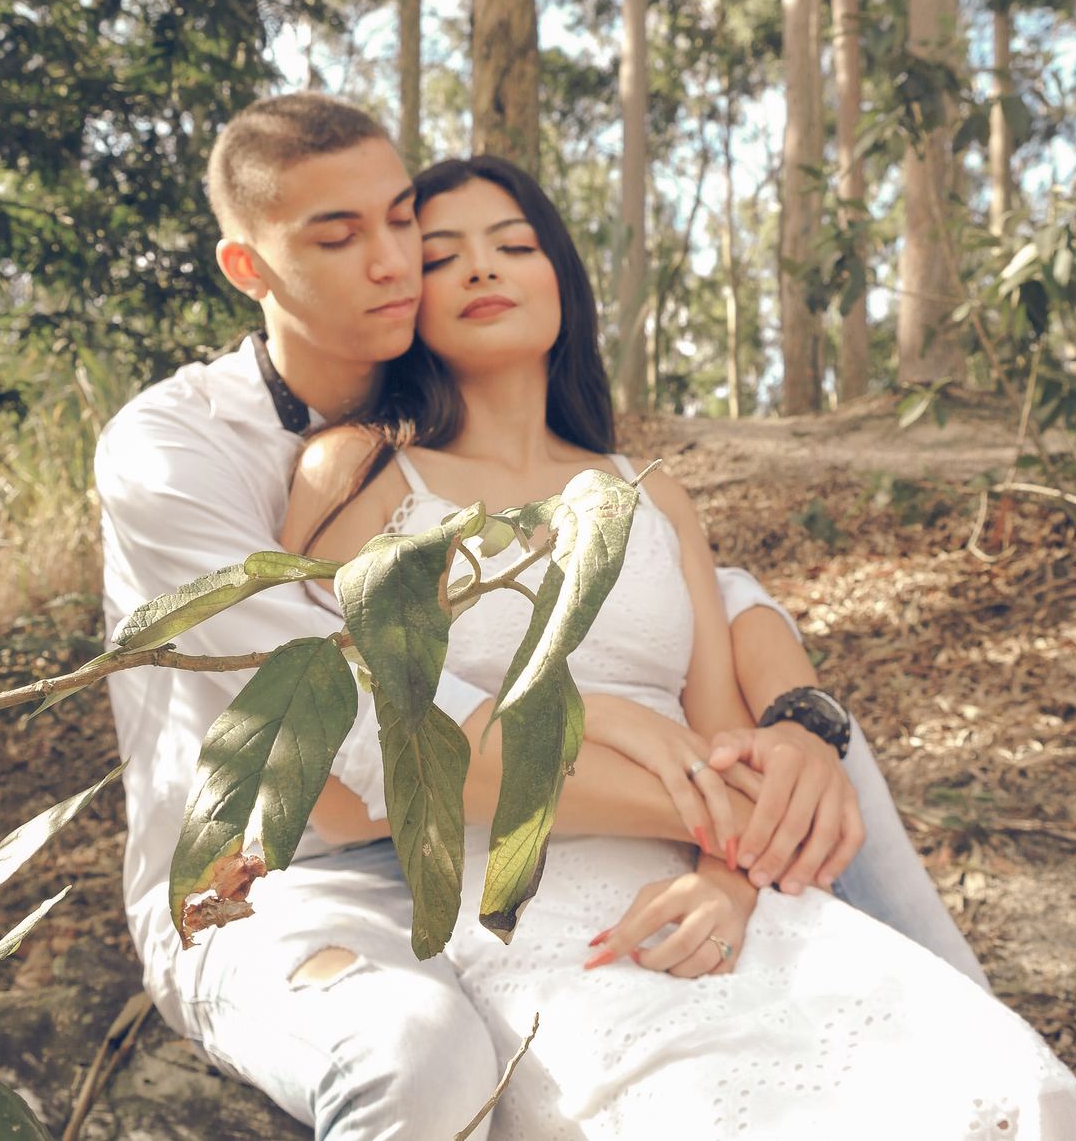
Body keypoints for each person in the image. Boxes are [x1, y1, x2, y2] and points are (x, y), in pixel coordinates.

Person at [95, 94, 973, 1139]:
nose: (392, 262)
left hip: (516, 821)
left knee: (817, 756)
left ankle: (962, 1028)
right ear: (250, 268)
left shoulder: (463, 415)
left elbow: (707, 591)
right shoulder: (177, 454)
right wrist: (715, 811)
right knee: (418, 1058)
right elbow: (342, 743)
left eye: (401, 222)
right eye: (338, 236)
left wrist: (799, 725)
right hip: (290, 868)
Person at [279, 153, 1076, 1141]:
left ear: (562, 279)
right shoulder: (362, 472)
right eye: (444, 255)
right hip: (527, 908)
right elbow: (340, 757)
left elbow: (726, 739)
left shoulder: (653, 492)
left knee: (1002, 1089)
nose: (481, 271)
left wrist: (725, 886)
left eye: (514, 245)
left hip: (721, 884)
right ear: (409, 298)